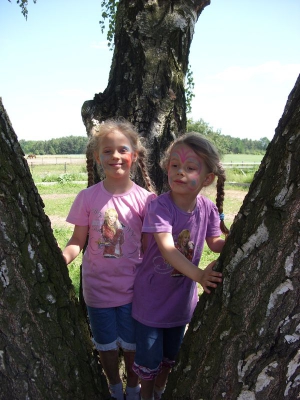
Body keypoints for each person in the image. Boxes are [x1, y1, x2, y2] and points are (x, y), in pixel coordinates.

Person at [62, 118, 156, 400]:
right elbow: (78, 241)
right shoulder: (87, 197)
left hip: (133, 291)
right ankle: (115, 387)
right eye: (107, 151)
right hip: (98, 290)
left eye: (122, 149)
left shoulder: (146, 200)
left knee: (132, 345)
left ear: (134, 156)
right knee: (105, 344)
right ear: (97, 157)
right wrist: (61, 258)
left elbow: (150, 249)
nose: (115, 156)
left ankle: (133, 387)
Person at [131, 132, 229, 400]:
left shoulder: (208, 208)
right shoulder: (160, 207)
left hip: (181, 303)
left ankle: (161, 392)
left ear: (207, 178)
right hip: (151, 301)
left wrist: (238, 238)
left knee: (170, 357)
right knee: (149, 360)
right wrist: (199, 274)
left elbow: (214, 242)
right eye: (175, 165)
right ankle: (145, 395)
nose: (180, 172)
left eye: (190, 167)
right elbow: (167, 247)